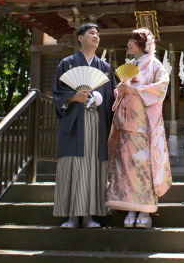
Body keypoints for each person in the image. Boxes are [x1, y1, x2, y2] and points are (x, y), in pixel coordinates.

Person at [106, 28, 172, 228]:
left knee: (143, 166)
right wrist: (121, 91)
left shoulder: (154, 64)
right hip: (126, 124)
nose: (128, 44)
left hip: (143, 125)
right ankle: (130, 208)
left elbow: (162, 86)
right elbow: (122, 95)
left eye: (132, 41)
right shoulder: (131, 65)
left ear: (142, 44)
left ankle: (144, 210)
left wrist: (135, 90)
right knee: (126, 167)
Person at [52, 23, 116, 228]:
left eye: (98, 34)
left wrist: (104, 98)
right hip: (75, 122)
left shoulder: (105, 67)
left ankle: (90, 216)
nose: (96, 36)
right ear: (80, 38)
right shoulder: (67, 63)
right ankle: (71, 216)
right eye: (91, 33)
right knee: (73, 164)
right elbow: (57, 92)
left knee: (93, 165)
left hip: (97, 121)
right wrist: (73, 97)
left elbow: (112, 97)